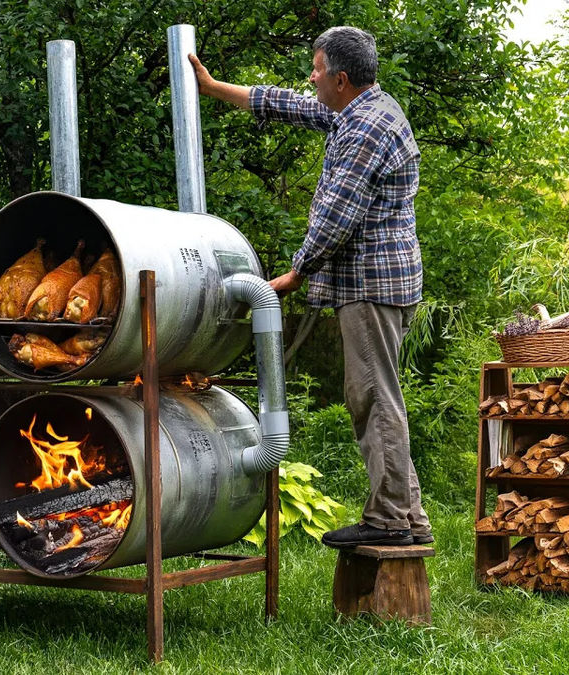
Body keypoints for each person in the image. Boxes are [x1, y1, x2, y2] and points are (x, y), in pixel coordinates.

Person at [190, 26, 431, 549]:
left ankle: (390, 521)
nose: (311, 78)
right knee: (378, 394)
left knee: (372, 398)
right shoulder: (363, 108)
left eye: (318, 70)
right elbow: (289, 104)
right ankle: (407, 516)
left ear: (341, 79)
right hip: (380, 283)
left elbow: (337, 215)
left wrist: (296, 272)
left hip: (370, 285)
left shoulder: (365, 128)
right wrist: (214, 89)